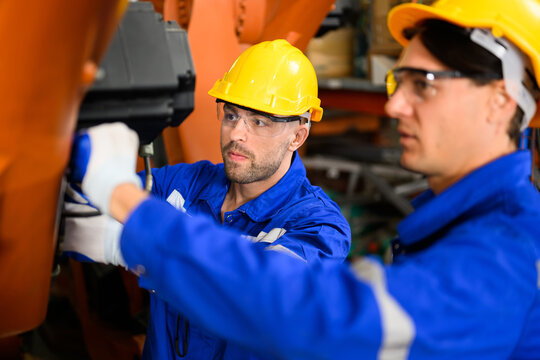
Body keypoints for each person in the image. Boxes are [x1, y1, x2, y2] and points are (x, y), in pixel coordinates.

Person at [66, 0, 540, 358]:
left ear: (501, 99)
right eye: (230, 115)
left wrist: (130, 211)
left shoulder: (506, 252)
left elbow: (307, 310)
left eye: (424, 84)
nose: (394, 105)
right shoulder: (453, 225)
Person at [63, 40, 351, 359]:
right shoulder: (185, 185)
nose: (236, 134)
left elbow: (260, 299)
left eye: (259, 121)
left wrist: (135, 246)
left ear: (297, 135)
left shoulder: (319, 225)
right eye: (230, 115)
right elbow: (87, 204)